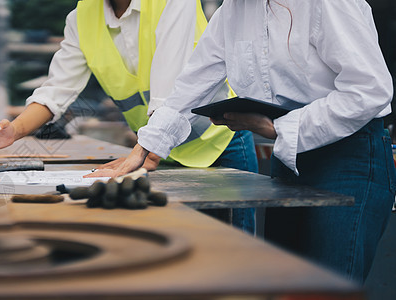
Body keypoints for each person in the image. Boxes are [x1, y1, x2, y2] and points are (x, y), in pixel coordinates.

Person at [91, 0, 394, 283]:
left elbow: (369, 90)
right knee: (285, 284)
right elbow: (191, 85)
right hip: (290, 157)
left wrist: (277, 128)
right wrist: (144, 149)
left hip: (351, 156)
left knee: (326, 286)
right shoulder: (232, 11)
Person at [0, 0, 258, 231]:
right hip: (159, 156)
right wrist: (15, 131)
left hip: (219, 143)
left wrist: (141, 154)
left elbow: (168, 89)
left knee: (235, 254)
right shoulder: (82, 18)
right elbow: (57, 89)